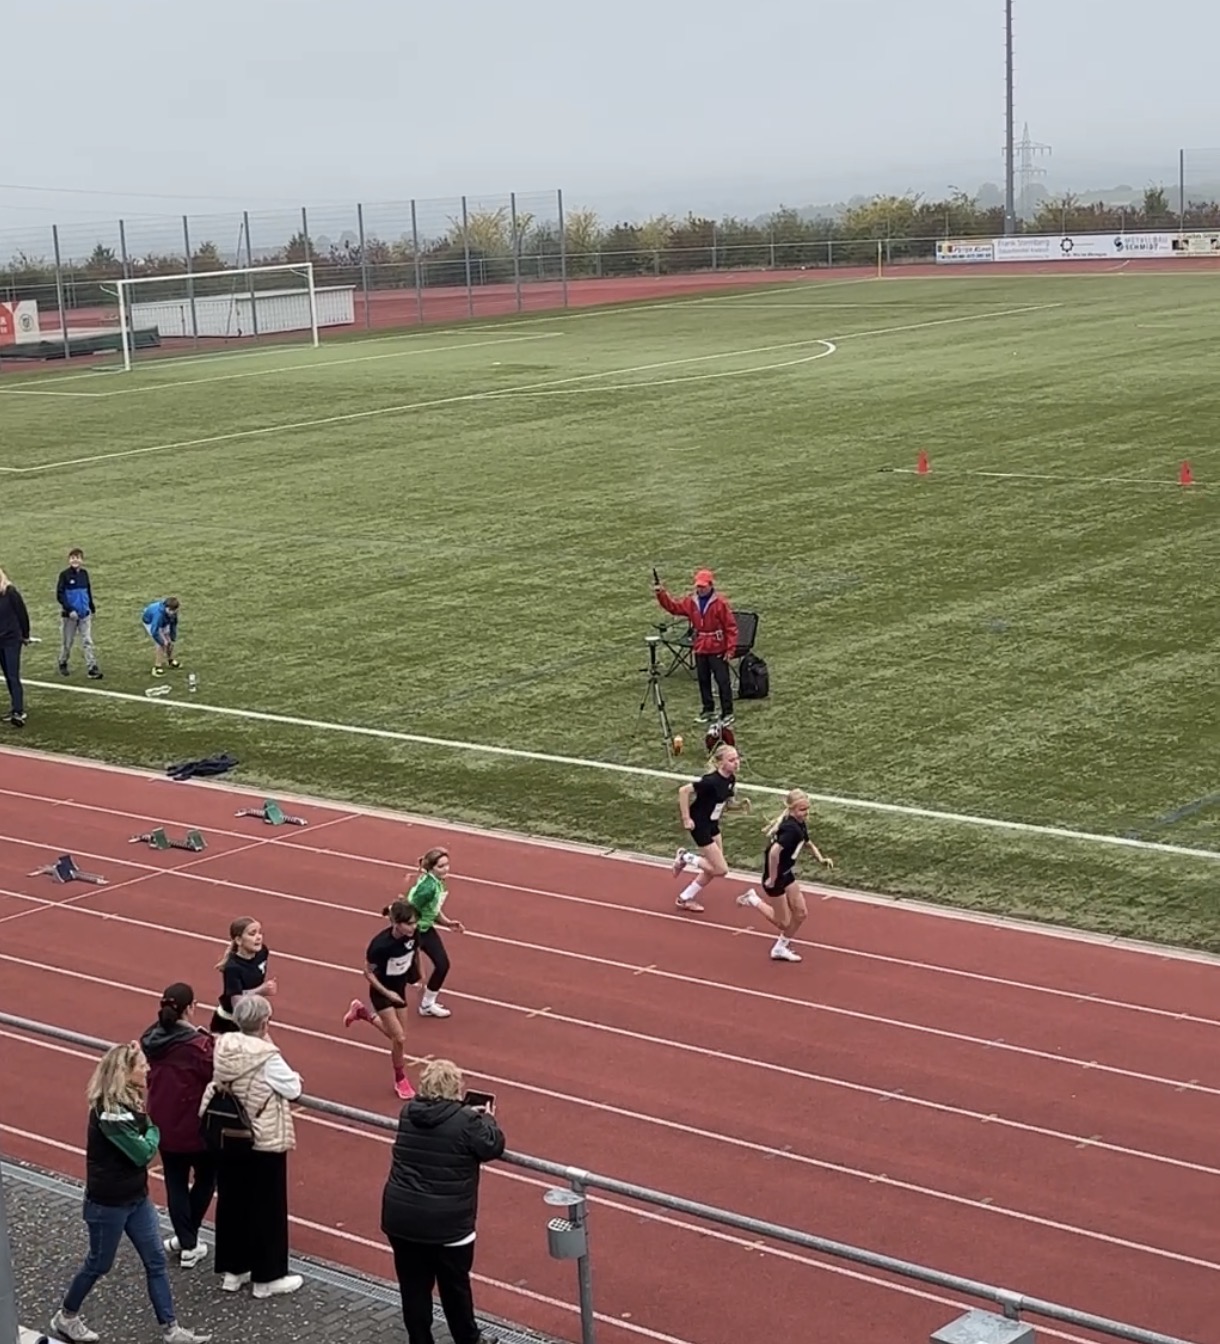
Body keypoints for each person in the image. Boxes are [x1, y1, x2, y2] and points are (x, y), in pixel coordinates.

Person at [50, 1041, 210, 1344]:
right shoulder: (110, 1114)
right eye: (142, 1065)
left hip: (136, 1198)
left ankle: (171, 1329)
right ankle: (66, 1316)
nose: (147, 1069)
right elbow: (143, 1153)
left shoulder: (130, 1102)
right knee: (99, 1263)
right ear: (125, 1072)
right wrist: (154, 1131)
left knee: (156, 1260)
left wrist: (148, 1129)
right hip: (108, 1204)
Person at [381, 1058, 505, 1344]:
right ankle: (468, 1339)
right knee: (455, 1287)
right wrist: (487, 1118)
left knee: (413, 1288)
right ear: (455, 1088)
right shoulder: (467, 1122)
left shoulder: (408, 1112)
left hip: (401, 1217)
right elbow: (493, 1145)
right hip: (448, 1224)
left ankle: (420, 1340)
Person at [202, 993, 304, 1299]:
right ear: (264, 1022)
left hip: (227, 1134)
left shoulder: (224, 1045)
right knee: (267, 1207)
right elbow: (293, 1088)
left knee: (232, 1201)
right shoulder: (267, 1056)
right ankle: (267, 1278)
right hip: (261, 1139)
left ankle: (234, 1272)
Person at [140, 982, 217, 1267]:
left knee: (175, 1181)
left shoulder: (152, 1039)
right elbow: (215, 1068)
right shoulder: (197, 1047)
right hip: (194, 1125)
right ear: (191, 1008)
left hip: (162, 1121)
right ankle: (188, 1241)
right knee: (207, 1178)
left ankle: (186, 1240)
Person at [736, 789, 834, 962]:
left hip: (787, 874)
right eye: (802, 809)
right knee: (784, 922)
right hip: (776, 878)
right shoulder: (791, 830)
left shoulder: (799, 824)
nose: (806, 812)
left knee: (801, 914)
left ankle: (780, 948)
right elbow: (773, 853)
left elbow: (807, 842)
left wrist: (821, 858)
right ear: (792, 809)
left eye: (807, 808)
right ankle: (753, 899)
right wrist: (773, 878)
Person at [344, 899, 422, 1100]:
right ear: (396, 923)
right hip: (381, 992)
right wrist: (388, 994)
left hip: (399, 989)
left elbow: (416, 952)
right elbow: (368, 972)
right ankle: (400, 1079)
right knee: (399, 1038)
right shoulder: (380, 945)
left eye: (415, 922)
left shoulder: (414, 935)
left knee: (397, 1036)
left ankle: (363, 1013)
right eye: (409, 923)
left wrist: (419, 975)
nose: (414, 927)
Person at [653, 567, 738, 725]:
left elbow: (730, 627)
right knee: (703, 680)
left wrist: (730, 649)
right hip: (701, 647)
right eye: (698, 586)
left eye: (703, 586)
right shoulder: (691, 601)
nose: (700, 589)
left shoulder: (720, 603)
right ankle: (708, 710)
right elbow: (674, 608)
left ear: (710, 585)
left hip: (717, 647)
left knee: (722, 681)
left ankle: (727, 712)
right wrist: (661, 594)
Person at [671, 743, 750, 913]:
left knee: (712, 869)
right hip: (699, 824)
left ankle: (684, 898)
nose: (736, 762)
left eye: (737, 758)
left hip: (712, 824)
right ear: (721, 762)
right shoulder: (710, 781)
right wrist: (686, 818)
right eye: (731, 760)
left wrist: (740, 806)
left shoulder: (731, 779)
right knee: (721, 869)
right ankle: (685, 857)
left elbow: (724, 804)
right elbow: (683, 791)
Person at [403, 848, 466, 1019]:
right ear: (431, 868)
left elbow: (432, 909)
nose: (446, 869)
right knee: (405, 972)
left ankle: (427, 1004)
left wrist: (447, 923)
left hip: (425, 929)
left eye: (447, 865)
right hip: (414, 931)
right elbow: (409, 909)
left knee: (442, 964)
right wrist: (409, 932)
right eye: (441, 866)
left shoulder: (437, 883)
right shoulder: (428, 888)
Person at [209, 916, 275, 1034]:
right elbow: (237, 1003)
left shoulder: (262, 952)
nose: (258, 937)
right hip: (230, 1022)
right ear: (239, 940)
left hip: (251, 1017)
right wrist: (261, 990)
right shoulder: (233, 968)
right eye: (252, 934)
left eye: (259, 932)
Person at [57, 547, 103, 680]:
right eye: (72, 558)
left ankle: (92, 667)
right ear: (69, 560)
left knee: (87, 641)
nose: (75, 560)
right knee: (68, 642)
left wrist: (91, 607)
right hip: (70, 616)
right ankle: (63, 661)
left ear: (82, 560)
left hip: (84, 614)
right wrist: (69, 610)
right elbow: (60, 595)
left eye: (77, 558)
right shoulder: (64, 575)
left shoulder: (84, 574)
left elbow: (87, 591)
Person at [0, 567, 32, 728]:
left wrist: (25, 635)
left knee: (13, 675)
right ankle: (14, 708)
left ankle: (18, 711)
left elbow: (22, 614)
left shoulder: (11, 593)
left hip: (12, 640)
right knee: (7, 674)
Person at [141, 596, 181, 676]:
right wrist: (161, 642)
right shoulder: (158, 615)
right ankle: (157, 666)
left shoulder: (173, 612)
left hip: (164, 621)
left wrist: (172, 637)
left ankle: (171, 660)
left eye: (174, 611)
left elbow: (173, 624)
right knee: (162, 645)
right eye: (171, 611)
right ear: (166, 608)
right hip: (150, 622)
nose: (173, 613)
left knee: (169, 642)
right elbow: (154, 631)